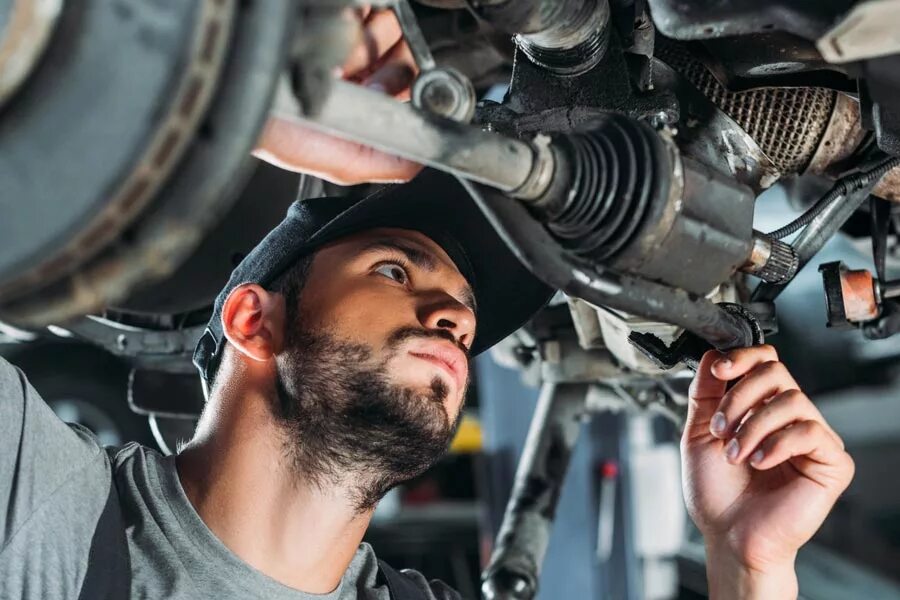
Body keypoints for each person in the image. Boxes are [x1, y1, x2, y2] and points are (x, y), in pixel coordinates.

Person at [0, 8, 854, 600]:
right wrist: (224, 98)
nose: (454, 317)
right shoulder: (38, 511)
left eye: (400, 275)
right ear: (252, 322)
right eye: (403, 273)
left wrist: (744, 562)